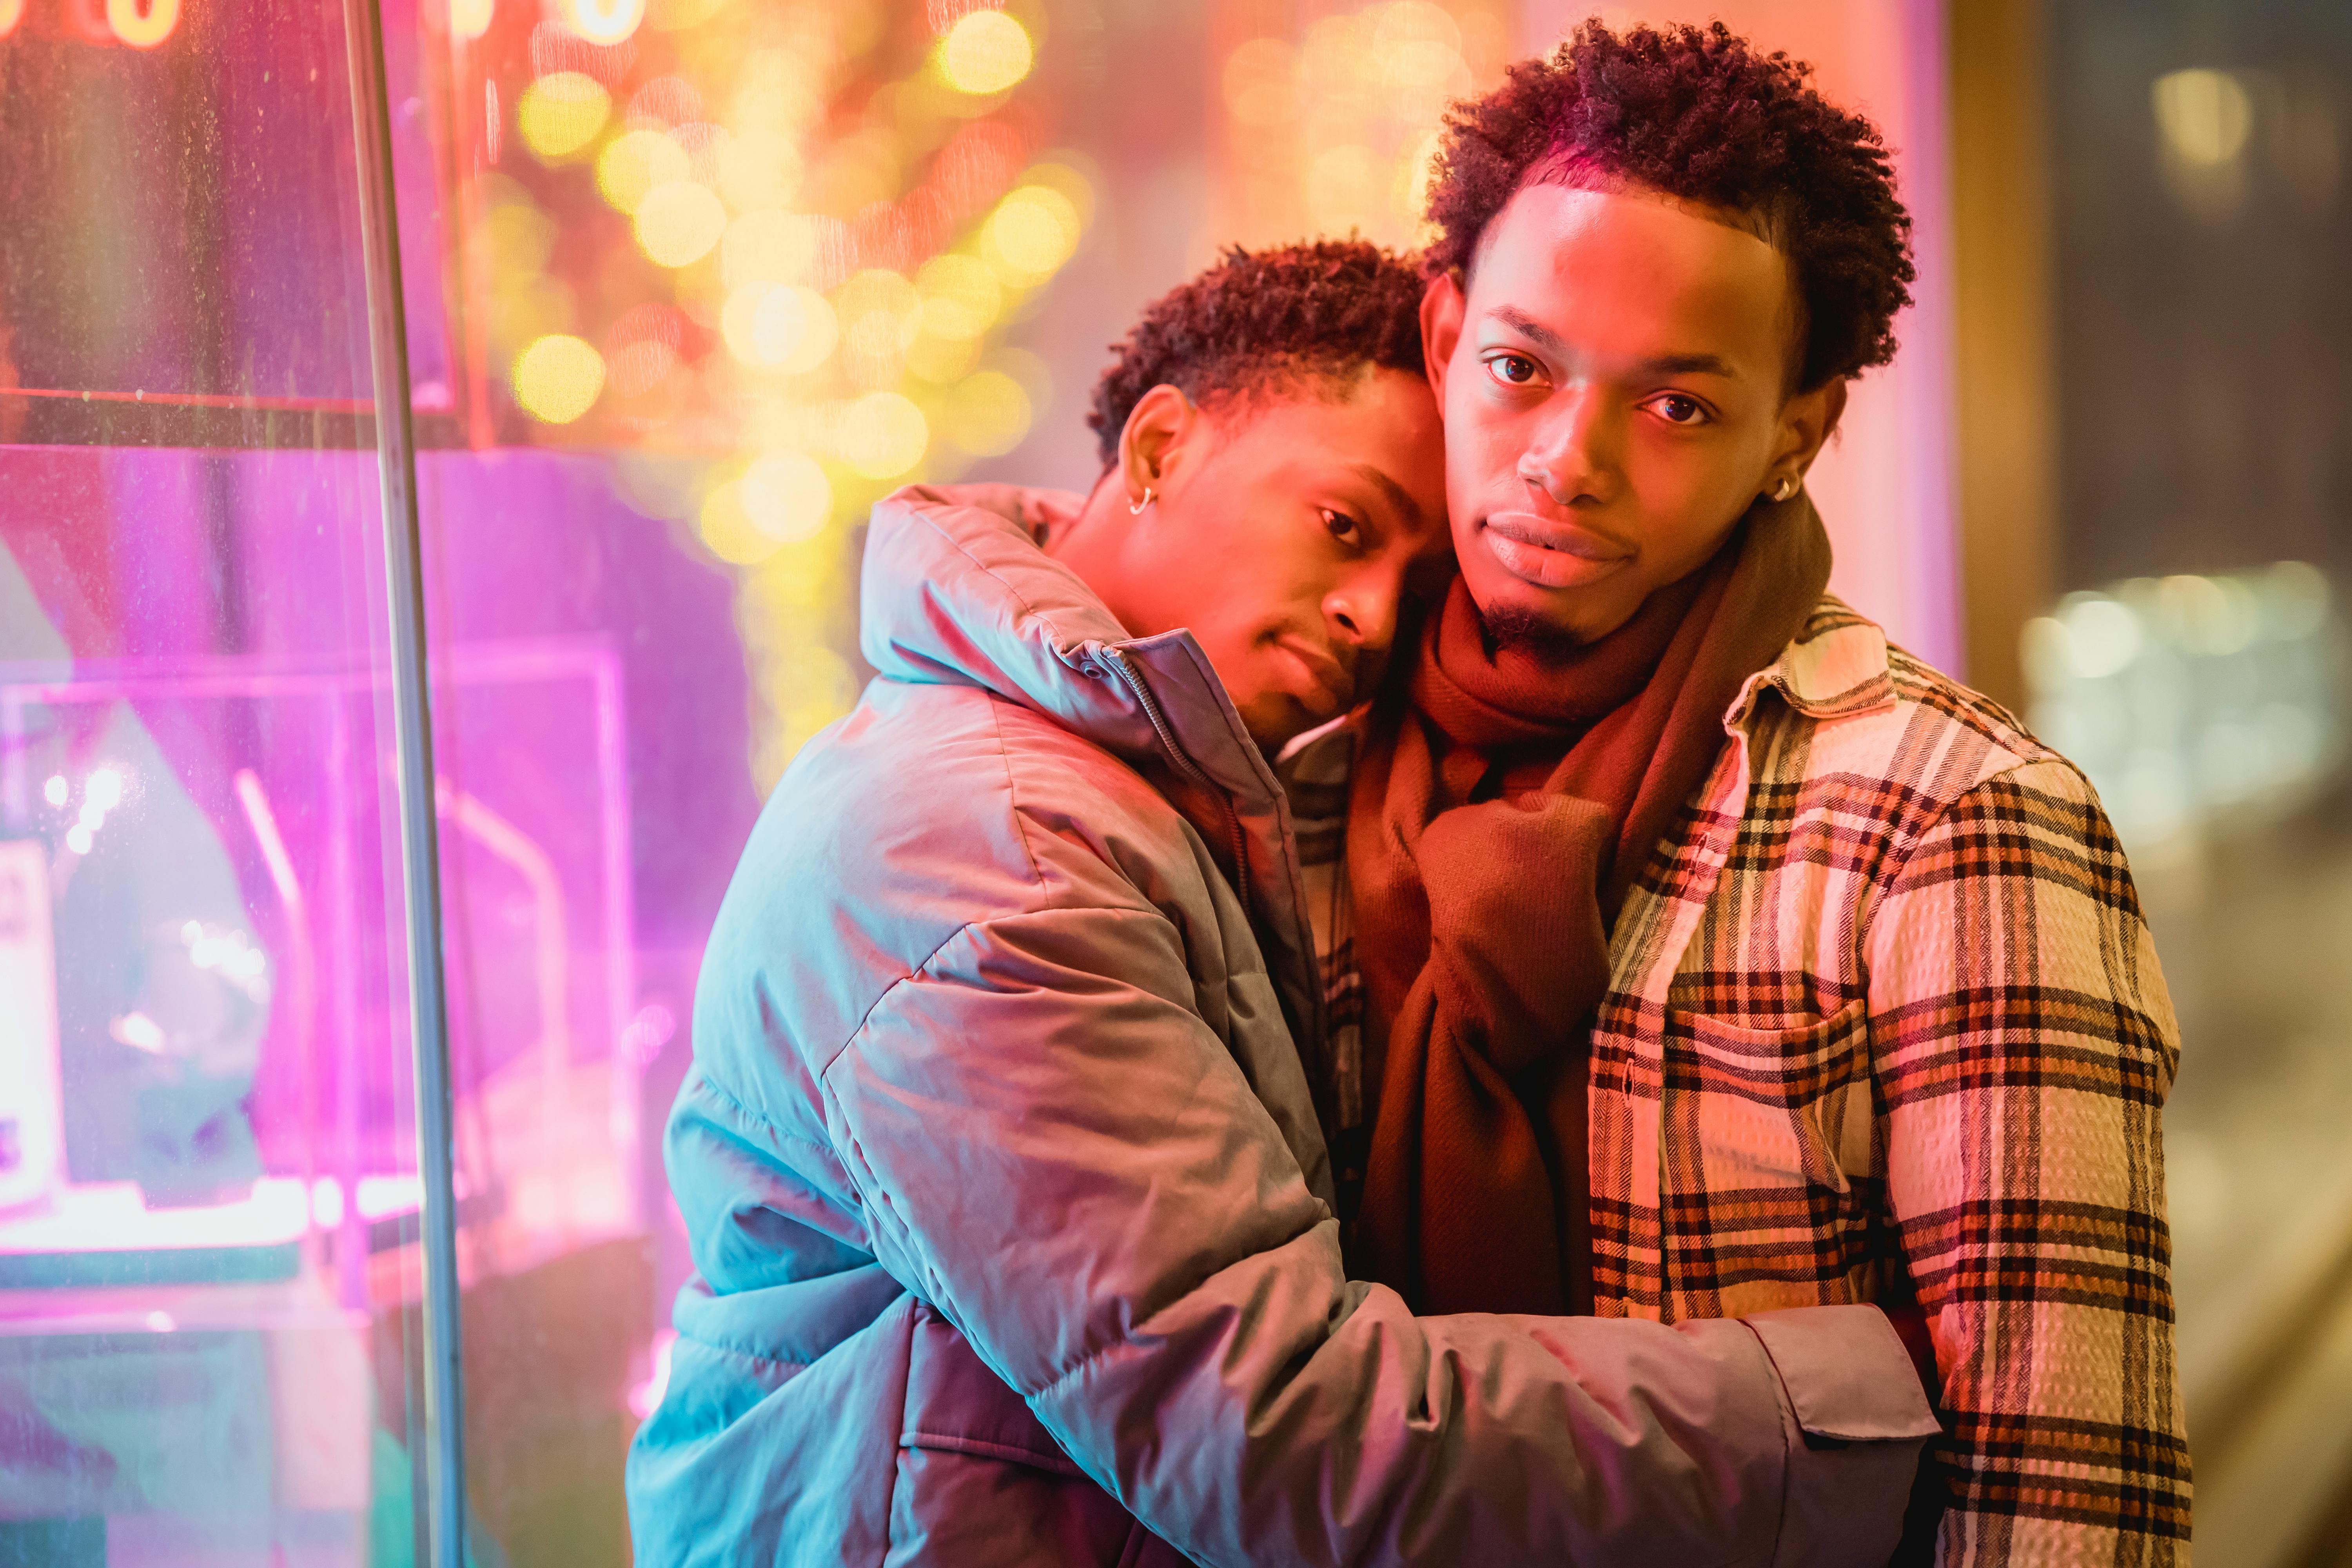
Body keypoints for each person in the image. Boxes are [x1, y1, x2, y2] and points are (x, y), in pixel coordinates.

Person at [625, 240, 1938, 1566]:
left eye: (1412, 582)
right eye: (1346, 527)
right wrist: (1839, 1405)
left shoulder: (1135, 793)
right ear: (1158, 452)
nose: (1375, 617)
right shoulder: (990, 849)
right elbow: (1276, 1427)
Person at [1296, 22, 2189, 1566]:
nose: (1567, 462)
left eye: (1677, 406)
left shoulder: (1949, 822)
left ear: (1798, 431)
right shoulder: (1308, 753)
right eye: (1520, 368)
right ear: (1444, 342)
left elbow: (2065, 1492)